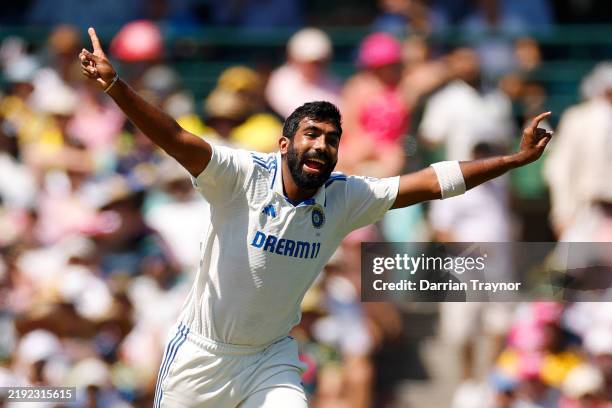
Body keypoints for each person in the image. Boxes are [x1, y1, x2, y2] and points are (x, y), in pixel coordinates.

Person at [79, 27, 553, 408]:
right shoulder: (240, 175)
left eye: (331, 139)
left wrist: (513, 160)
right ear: (285, 144)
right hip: (201, 355)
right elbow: (177, 138)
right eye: (311, 134)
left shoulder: (347, 196)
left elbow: (431, 181)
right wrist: (116, 86)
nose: (322, 146)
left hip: (269, 357)